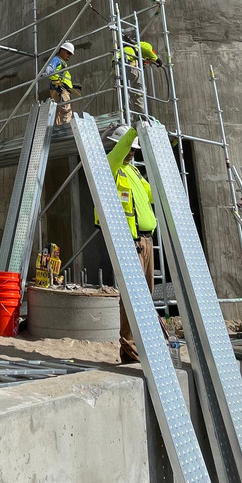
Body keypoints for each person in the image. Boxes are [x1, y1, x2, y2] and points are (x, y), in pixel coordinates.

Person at [100, 124, 157, 363]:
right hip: (130, 242)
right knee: (132, 296)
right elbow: (118, 153)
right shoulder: (110, 166)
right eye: (129, 148)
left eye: (134, 150)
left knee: (146, 295)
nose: (131, 153)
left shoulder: (133, 171)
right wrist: (135, 131)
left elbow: (151, 195)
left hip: (147, 241)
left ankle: (139, 345)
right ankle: (130, 347)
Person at [122, 40, 161, 115]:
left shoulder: (127, 48)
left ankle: (125, 114)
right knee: (140, 88)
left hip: (117, 66)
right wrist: (157, 60)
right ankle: (141, 115)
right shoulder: (146, 46)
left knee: (125, 90)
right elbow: (147, 50)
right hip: (129, 62)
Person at [44, 41, 77, 124]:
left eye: (70, 54)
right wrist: (47, 72)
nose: (69, 56)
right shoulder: (57, 60)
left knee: (58, 111)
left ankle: (58, 127)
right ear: (62, 50)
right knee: (66, 109)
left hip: (57, 88)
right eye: (68, 53)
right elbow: (50, 68)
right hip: (60, 89)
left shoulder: (61, 62)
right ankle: (66, 127)